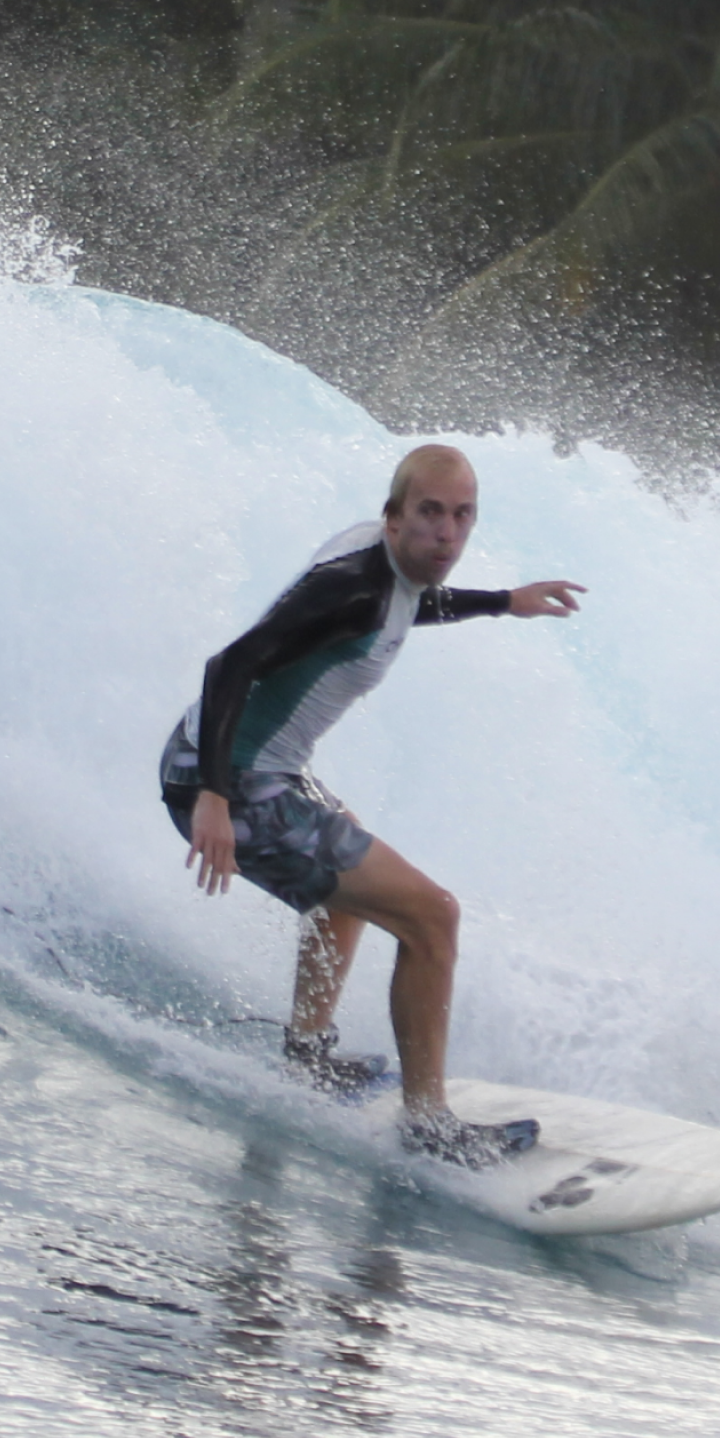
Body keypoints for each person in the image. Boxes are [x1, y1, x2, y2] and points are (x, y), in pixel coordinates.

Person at [158, 444, 583, 1165]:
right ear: (393, 518)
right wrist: (215, 799)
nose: (447, 533)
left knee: (349, 866)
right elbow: (230, 664)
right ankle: (429, 1125)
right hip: (231, 779)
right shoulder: (352, 589)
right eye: (430, 513)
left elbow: (412, 603)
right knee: (432, 916)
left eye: (463, 516)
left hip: (240, 767)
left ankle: (308, 1053)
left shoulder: (389, 572)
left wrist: (503, 602)